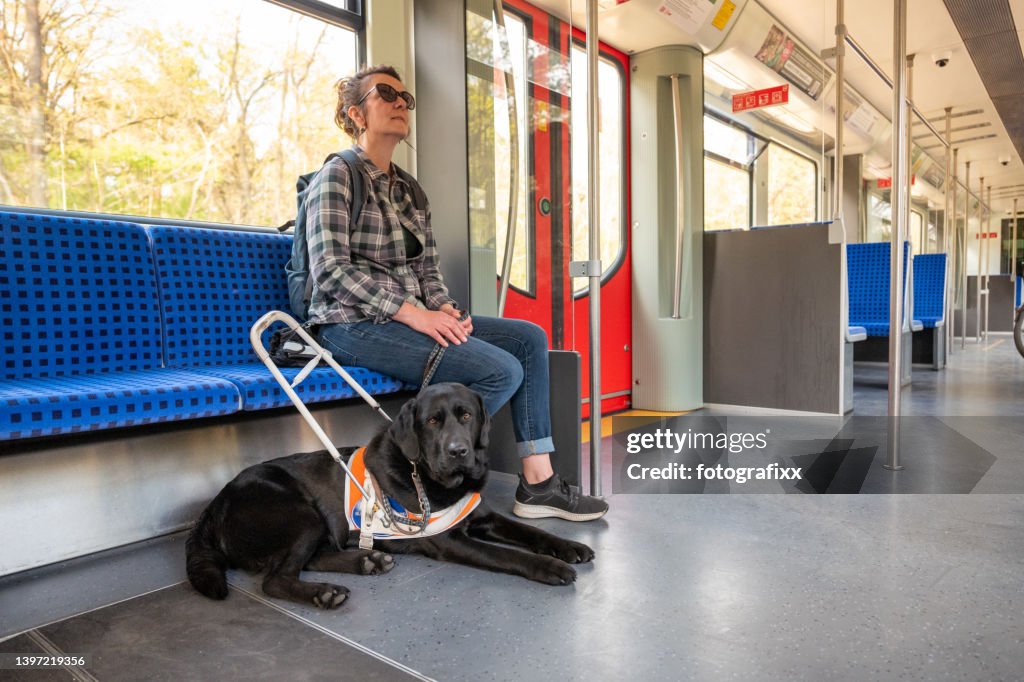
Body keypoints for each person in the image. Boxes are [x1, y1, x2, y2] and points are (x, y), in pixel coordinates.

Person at [306, 65, 608, 522]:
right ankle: (436, 470)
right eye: (385, 94)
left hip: (403, 318)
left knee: (528, 339)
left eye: (405, 98)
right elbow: (329, 270)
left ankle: (538, 483)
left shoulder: (410, 191)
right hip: (349, 324)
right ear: (356, 113)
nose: (400, 103)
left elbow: (426, 269)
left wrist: (443, 306)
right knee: (502, 370)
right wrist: (413, 314)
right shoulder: (338, 176)